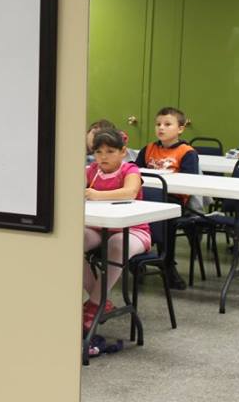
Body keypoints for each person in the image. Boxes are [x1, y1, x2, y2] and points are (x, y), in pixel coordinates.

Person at [83, 127, 148, 332]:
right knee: (71, 242)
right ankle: (101, 300)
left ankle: (94, 305)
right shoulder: (91, 171)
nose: (103, 157)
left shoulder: (130, 170)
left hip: (132, 229)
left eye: (110, 151)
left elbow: (130, 192)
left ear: (122, 152)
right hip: (98, 227)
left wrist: (95, 195)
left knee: (117, 244)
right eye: (99, 152)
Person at [134, 106, 199, 289]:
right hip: (146, 198)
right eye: (158, 124)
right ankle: (134, 260)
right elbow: (134, 172)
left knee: (166, 218)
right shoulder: (148, 149)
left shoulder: (187, 152)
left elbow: (189, 181)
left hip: (173, 200)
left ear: (180, 128)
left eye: (167, 124)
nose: (161, 128)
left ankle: (167, 263)